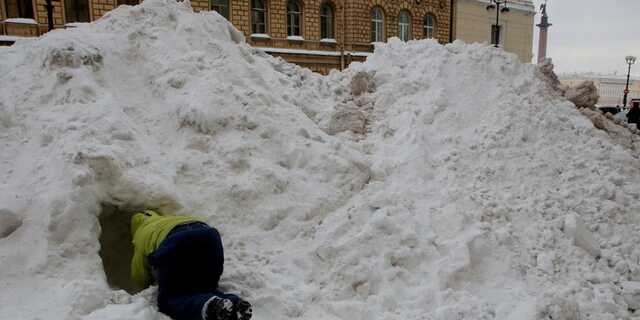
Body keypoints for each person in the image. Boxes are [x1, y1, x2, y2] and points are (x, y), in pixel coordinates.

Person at [131, 209, 252, 320]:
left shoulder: (140, 234)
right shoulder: (169, 219)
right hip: (209, 237)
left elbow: (139, 274)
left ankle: (212, 307)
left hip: (176, 243)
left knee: (168, 301)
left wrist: (149, 285)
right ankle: (236, 306)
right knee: (206, 288)